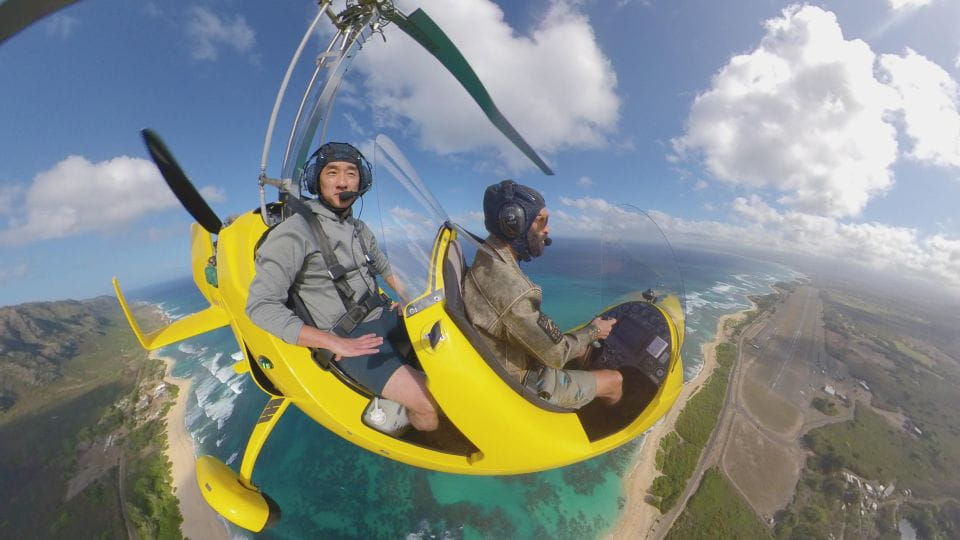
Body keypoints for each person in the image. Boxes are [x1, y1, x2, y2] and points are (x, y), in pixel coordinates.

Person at [246, 142, 439, 432]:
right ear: (317, 182)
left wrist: (411, 300)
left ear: (361, 182)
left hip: (384, 313)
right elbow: (260, 306)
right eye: (332, 173)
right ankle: (429, 436)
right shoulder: (294, 232)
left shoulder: (359, 229)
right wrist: (332, 342)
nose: (342, 182)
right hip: (351, 337)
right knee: (430, 401)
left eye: (351, 173)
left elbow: (385, 268)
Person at [462, 180, 624, 409]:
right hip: (521, 383)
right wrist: (594, 330)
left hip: (501, 362)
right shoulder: (514, 291)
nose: (547, 229)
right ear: (514, 223)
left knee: (585, 351)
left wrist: (586, 338)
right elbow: (556, 355)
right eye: (541, 221)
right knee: (615, 380)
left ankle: (583, 393)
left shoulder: (485, 257)